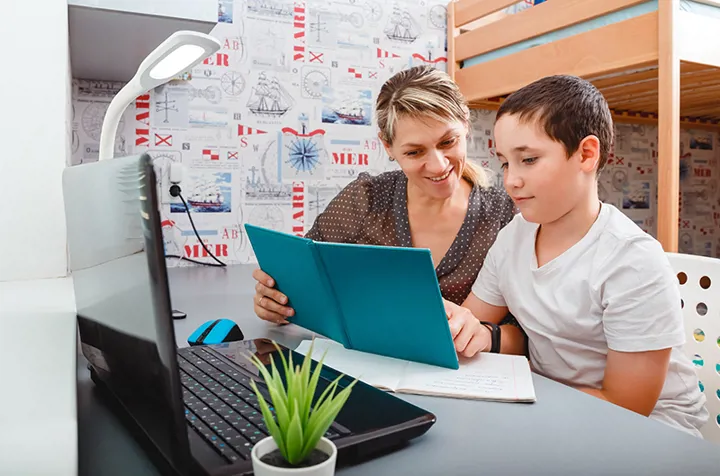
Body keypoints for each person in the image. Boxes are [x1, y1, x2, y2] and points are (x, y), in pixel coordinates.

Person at [445, 74, 709, 437]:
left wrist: (520, 405)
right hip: (557, 404)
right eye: (506, 163)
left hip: (652, 428)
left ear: (586, 154)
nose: (511, 181)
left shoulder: (632, 260)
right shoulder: (513, 238)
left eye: (529, 160)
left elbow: (625, 407)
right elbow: (470, 320)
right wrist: (450, 323)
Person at [252, 64, 525, 357]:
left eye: (448, 142)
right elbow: (304, 277)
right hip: (371, 370)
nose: (437, 165)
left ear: (466, 126)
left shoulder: (506, 215)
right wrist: (277, 301)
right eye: (414, 152)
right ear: (388, 146)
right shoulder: (366, 200)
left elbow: (532, 335)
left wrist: (486, 335)